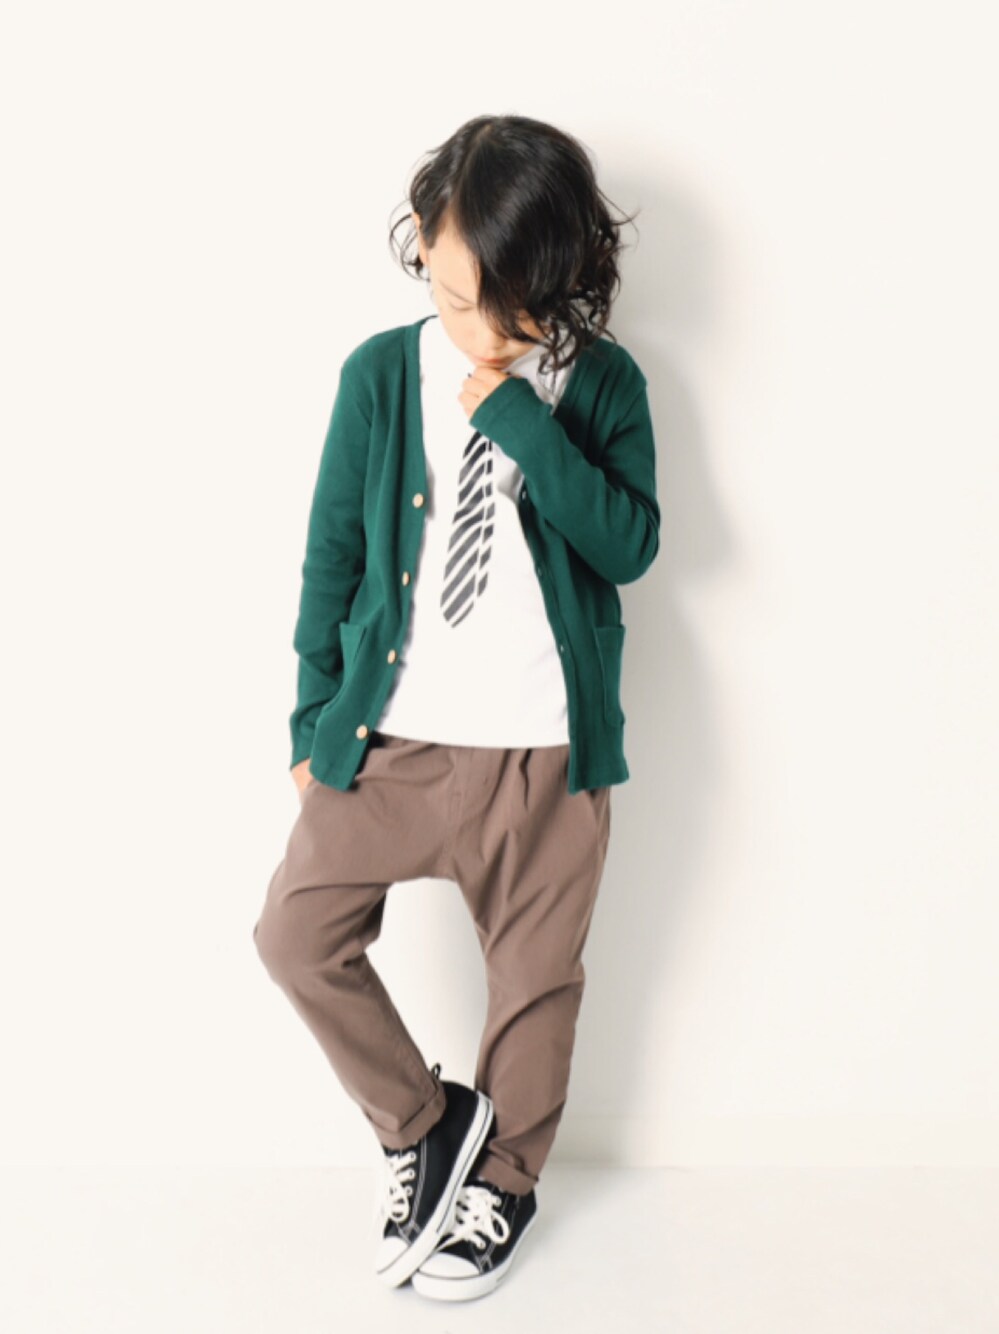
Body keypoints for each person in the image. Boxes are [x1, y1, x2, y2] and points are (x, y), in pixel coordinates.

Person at [252, 113, 660, 1304]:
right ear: (423, 242)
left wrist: (524, 421)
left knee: (535, 981)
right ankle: (425, 1127)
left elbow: (630, 544)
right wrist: (311, 721)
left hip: (545, 753)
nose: (476, 332)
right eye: (451, 295)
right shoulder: (381, 375)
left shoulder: (603, 383)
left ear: (564, 281)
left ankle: (504, 1180)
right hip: (396, 740)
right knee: (294, 933)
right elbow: (332, 557)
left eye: (510, 313)